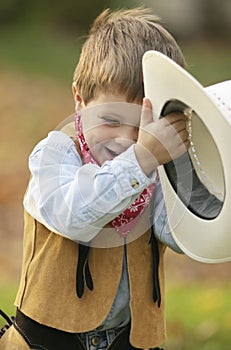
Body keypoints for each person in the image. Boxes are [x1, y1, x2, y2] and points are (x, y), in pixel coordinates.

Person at [0, 7, 190, 350]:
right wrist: (143, 159)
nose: (129, 140)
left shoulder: (155, 166)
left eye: (144, 127)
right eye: (113, 119)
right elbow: (74, 215)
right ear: (80, 100)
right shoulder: (54, 155)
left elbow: (179, 234)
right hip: (48, 338)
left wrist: (188, 165)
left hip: (128, 338)